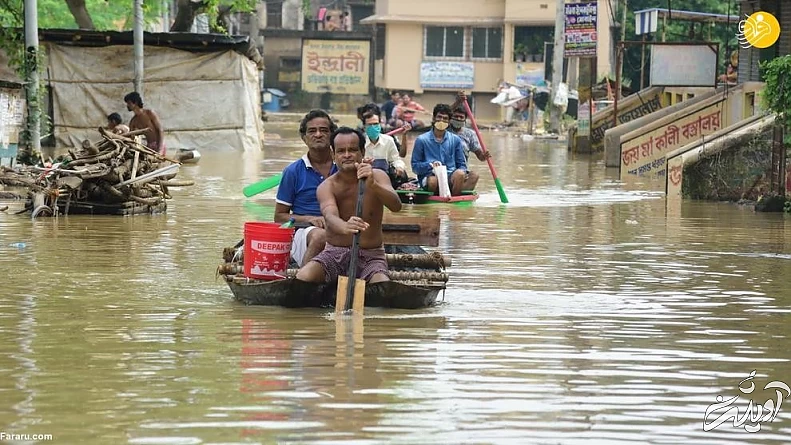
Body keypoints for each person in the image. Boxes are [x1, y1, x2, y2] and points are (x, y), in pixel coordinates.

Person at [295, 127, 402, 285]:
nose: (347, 155)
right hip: (334, 253)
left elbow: (396, 206)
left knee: (382, 286)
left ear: (362, 152)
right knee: (304, 277)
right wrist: (345, 226)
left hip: (371, 255)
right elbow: (330, 215)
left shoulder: (378, 176)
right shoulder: (327, 186)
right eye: (341, 151)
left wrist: (373, 185)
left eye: (352, 150)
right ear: (333, 155)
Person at [275, 109, 338, 267]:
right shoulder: (293, 172)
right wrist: (310, 219)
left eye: (324, 130)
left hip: (340, 226)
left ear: (332, 136)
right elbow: (279, 216)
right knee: (320, 236)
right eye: (312, 131)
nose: (318, 134)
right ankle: (302, 280)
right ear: (304, 138)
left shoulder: (344, 167)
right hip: (304, 232)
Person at [411, 104, 479, 196]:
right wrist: (430, 165)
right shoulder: (421, 140)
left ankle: (454, 198)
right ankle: (436, 196)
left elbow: (462, 165)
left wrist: (462, 174)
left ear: (449, 121)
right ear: (434, 118)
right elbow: (415, 167)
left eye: (445, 118)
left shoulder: (455, 140)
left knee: (467, 175)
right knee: (432, 181)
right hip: (431, 175)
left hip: (451, 176)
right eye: (439, 117)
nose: (441, 120)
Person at [361, 110, 409, 189]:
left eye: (376, 124)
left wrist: (399, 167)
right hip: (366, 177)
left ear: (380, 125)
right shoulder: (360, 141)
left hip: (386, 177)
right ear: (364, 127)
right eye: (370, 125)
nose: (373, 127)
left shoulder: (388, 140)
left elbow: (395, 159)